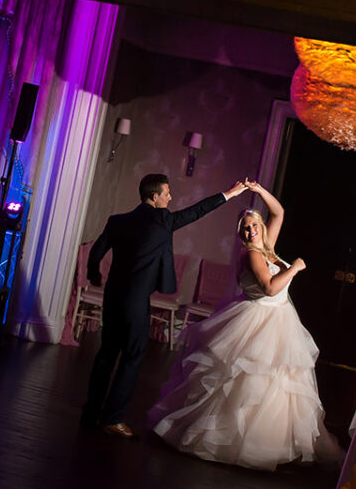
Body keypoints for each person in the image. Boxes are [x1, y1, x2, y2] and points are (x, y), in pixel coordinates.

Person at [148, 179, 344, 470]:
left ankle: (270, 443)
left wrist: (259, 191)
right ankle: (227, 441)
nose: (250, 231)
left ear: (261, 228)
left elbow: (278, 213)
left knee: (277, 385)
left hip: (279, 320)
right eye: (245, 228)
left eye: (253, 225)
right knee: (246, 382)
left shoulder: (267, 246)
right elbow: (270, 288)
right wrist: (294, 268)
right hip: (257, 321)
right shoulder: (251, 253)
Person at [82, 173, 249, 438]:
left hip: (113, 297)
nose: (170, 198)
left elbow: (96, 251)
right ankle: (112, 418)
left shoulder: (117, 221)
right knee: (132, 358)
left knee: (106, 355)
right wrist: (229, 194)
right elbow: (196, 211)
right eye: (167, 193)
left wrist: (94, 275)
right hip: (136, 302)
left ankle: (90, 414)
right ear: (154, 196)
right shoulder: (162, 220)